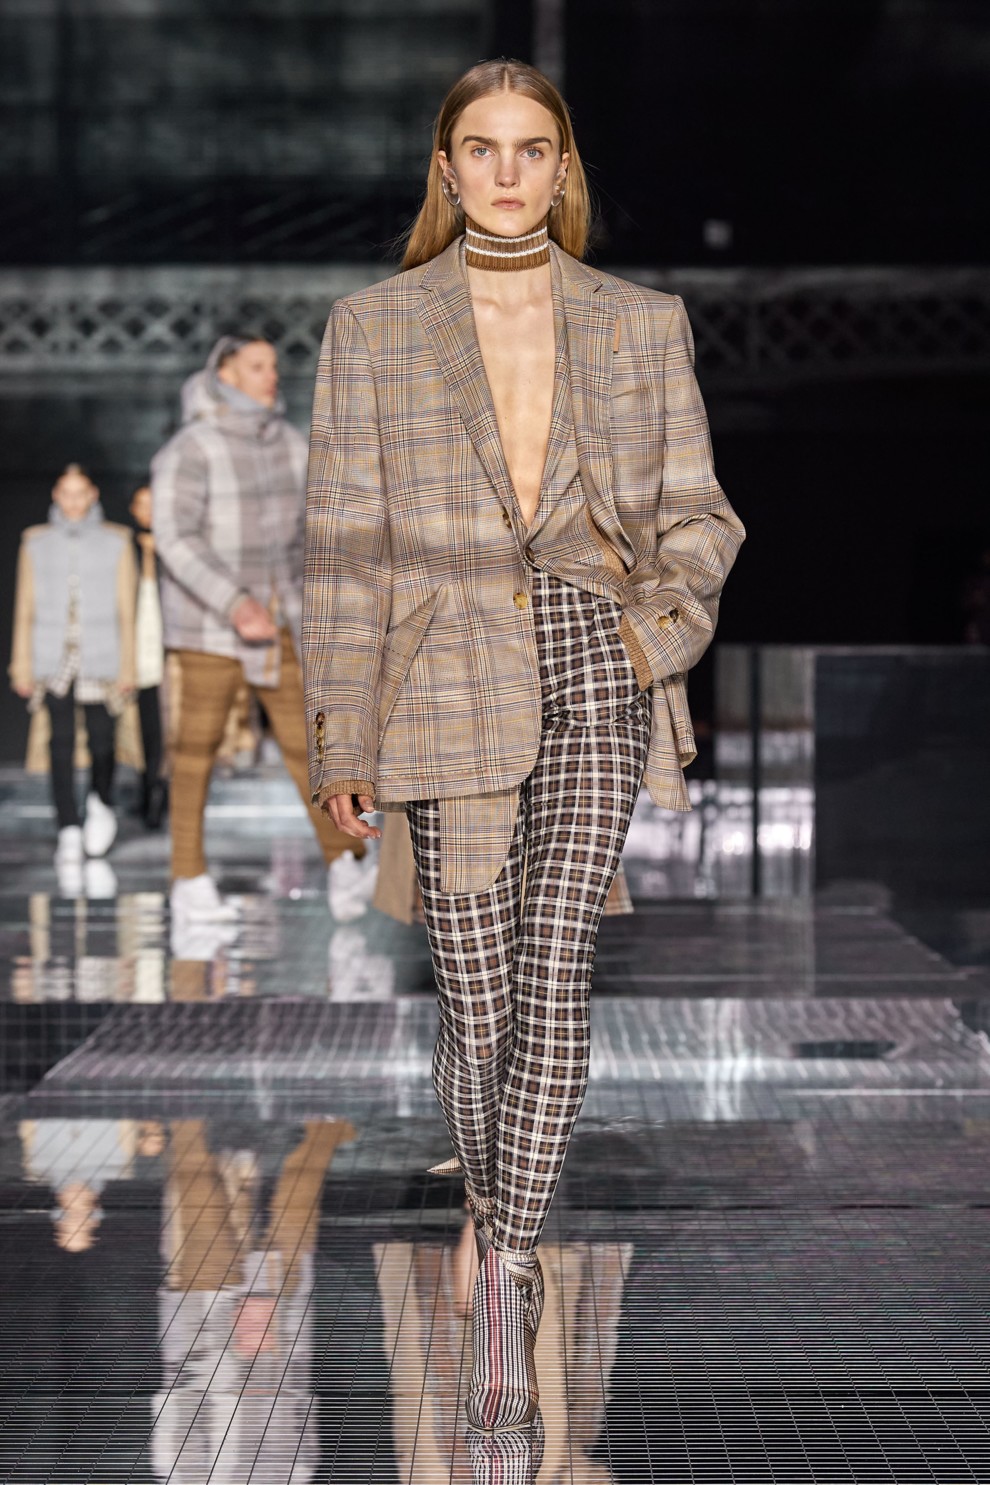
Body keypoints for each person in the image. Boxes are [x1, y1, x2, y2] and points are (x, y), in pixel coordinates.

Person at [303, 60, 744, 1435]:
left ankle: (507, 1263)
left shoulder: (637, 322)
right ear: (446, 169)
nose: (507, 172)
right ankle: (497, 1213)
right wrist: (340, 735)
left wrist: (644, 641)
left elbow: (699, 517)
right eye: (482, 149)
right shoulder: (374, 329)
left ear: (563, 168)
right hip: (441, 675)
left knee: (557, 957)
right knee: (477, 992)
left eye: (531, 148)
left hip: (594, 660)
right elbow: (341, 552)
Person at [152, 334, 363, 924]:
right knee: (194, 752)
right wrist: (234, 602)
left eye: (273, 365)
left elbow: (314, 534)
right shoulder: (192, 447)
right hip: (208, 627)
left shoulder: (291, 444)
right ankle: (187, 876)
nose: (271, 375)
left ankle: (344, 863)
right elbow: (174, 535)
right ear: (225, 374)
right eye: (256, 366)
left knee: (310, 747)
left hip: (281, 622)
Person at [9, 464, 136, 871]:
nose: (74, 501)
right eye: (67, 493)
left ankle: (100, 803)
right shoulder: (36, 542)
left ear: (93, 494)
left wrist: (128, 667)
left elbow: (127, 608)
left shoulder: (116, 540)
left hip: (102, 653)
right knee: (59, 743)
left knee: (102, 739)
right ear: (56, 496)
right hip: (53, 654)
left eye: (81, 493)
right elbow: (24, 607)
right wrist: (21, 666)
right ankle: (67, 825)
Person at [128, 484, 169, 828]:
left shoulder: (176, 545)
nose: (148, 511)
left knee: (167, 726)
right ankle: (146, 791)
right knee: (142, 727)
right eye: (142, 504)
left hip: (169, 647)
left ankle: (162, 793)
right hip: (137, 647)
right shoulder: (124, 545)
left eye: (153, 504)